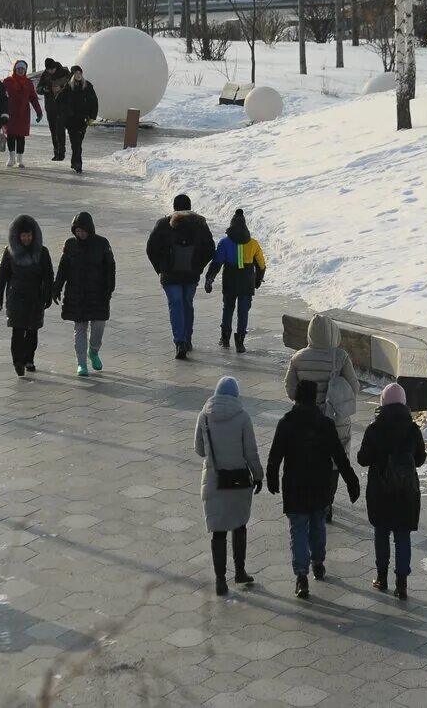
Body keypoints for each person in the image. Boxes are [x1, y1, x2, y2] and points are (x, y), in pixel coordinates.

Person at [267, 380, 361, 599]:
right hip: (320, 484)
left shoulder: (286, 423)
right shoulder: (325, 424)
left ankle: (301, 575)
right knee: (318, 525)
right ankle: (318, 561)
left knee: (297, 529)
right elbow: (339, 456)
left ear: (297, 397)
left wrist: (272, 477)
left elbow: (275, 456)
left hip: (294, 485)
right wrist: (351, 481)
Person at [283, 313, 361, 520]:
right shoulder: (341, 356)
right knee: (335, 460)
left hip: (306, 421)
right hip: (335, 420)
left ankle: (313, 497)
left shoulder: (298, 358)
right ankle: (328, 500)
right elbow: (354, 387)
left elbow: (291, 391)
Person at [356, 383, 427, 600]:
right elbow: (421, 459)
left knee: (381, 533)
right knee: (402, 536)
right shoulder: (413, 428)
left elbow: (362, 459)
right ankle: (402, 583)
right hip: (406, 490)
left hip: (381, 490)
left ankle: (382, 577)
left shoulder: (374, 428)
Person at [194, 376, 263, 596]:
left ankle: (220, 580)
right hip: (239, 481)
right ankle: (240, 571)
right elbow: (250, 452)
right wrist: (259, 476)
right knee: (239, 524)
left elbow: (200, 450)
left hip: (214, 480)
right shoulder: (243, 417)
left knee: (218, 532)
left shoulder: (204, 417)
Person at [146, 194, 215, 360]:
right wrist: (198, 266)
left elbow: (151, 248)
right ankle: (187, 338)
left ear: (174, 207)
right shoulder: (200, 224)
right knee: (186, 303)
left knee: (175, 303)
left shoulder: (164, 224)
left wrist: (160, 268)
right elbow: (210, 249)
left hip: (169, 275)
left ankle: (180, 341)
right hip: (191, 275)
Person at [53, 212, 116, 377]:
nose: (80, 234)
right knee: (80, 328)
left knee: (98, 327)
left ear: (90, 229)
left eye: (83, 230)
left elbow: (110, 268)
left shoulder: (102, 244)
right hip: (77, 294)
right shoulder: (70, 245)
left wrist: (109, 288)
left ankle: (93, 351)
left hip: (98, 294)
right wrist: (56, 288)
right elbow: (63, 269)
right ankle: (81, 363)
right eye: (77, 231)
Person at [0, 215, 54, 377]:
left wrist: (49, 294)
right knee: (18, 331)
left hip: (36, 297)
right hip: (16, 297)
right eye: (23, 235)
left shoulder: (42, 252)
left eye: (29, 235)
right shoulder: (10, 252)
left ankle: (29, 358)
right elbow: (2, 275)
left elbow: (48, 275)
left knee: (33, 331)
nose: (26, 238)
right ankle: (18, 361)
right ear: (18, 236)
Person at [205, 208, 267, 353]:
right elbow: (261, 264)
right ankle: (240, 342)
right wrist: (258, 280)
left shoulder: (225, 243)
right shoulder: (253, 244)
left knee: (228, 308)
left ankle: (225, 339)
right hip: (246, 281)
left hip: (230, 280)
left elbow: (217, 262)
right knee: (243, 311)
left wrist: (210, 278)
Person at [54, 65, 98, 174]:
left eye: (80, 73)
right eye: (76, 74)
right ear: (73, 75)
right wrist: (65, 113)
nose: (78, 75)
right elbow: (58, 100)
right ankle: (78, 164)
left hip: (83, 120)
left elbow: (94, 102)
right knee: (76, 143)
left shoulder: (87, 86)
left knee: (78, 143)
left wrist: (92, 116)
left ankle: (74, 162)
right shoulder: (68, 87)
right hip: (71, 120)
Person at [3, 59, 42, 169]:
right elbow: (0, 97)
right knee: (10, 135)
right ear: (15, 69)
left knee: (21, 137)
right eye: (18, 69)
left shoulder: (28, 83)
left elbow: (34, 99)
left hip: (23, 113)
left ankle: (19, 159)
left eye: (22, 69)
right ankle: (11, 158)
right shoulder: (7, 82)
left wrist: (39, 112)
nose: (20, 71)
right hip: (10, 113)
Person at [37, 58, 69, 161]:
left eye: (52, 69)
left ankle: (61, 153)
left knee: (60, 129)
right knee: (53, 130)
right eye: (49, 70)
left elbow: (71, 86)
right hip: (50, 106)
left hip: (62, 106)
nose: (51, 71)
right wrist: (44, 89)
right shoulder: (45, 74)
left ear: (55, 67)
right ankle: (56, 151)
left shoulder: (64, 72)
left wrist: (61, 88)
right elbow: (38, 89)